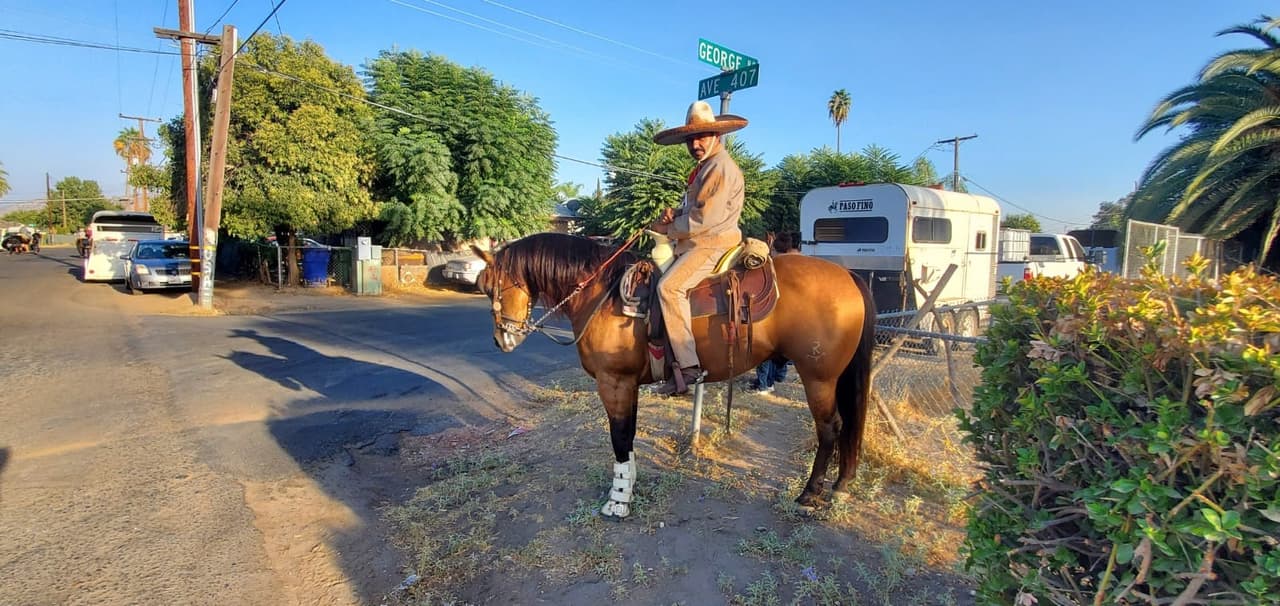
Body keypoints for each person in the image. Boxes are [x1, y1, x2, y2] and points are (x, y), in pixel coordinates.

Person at [649, 100, 749, 396]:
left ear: (716, 136)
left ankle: (689, 366)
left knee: (669, 288)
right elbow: (695, 209)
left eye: (702, 136)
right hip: (701, 240)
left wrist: (668, 229)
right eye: (691, 138)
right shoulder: (705, 167)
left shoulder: (719, 167)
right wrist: (674, 215)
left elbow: (705, 219)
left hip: (712, 244)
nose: (695, 143)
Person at [748, 232, 799, 394]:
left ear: (775, 249)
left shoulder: (775, 264)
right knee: (783, 351)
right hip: (792, 313)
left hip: (776, 310)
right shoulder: (797, 261)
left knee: (765, 350)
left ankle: (764, 384)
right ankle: (777, 377)